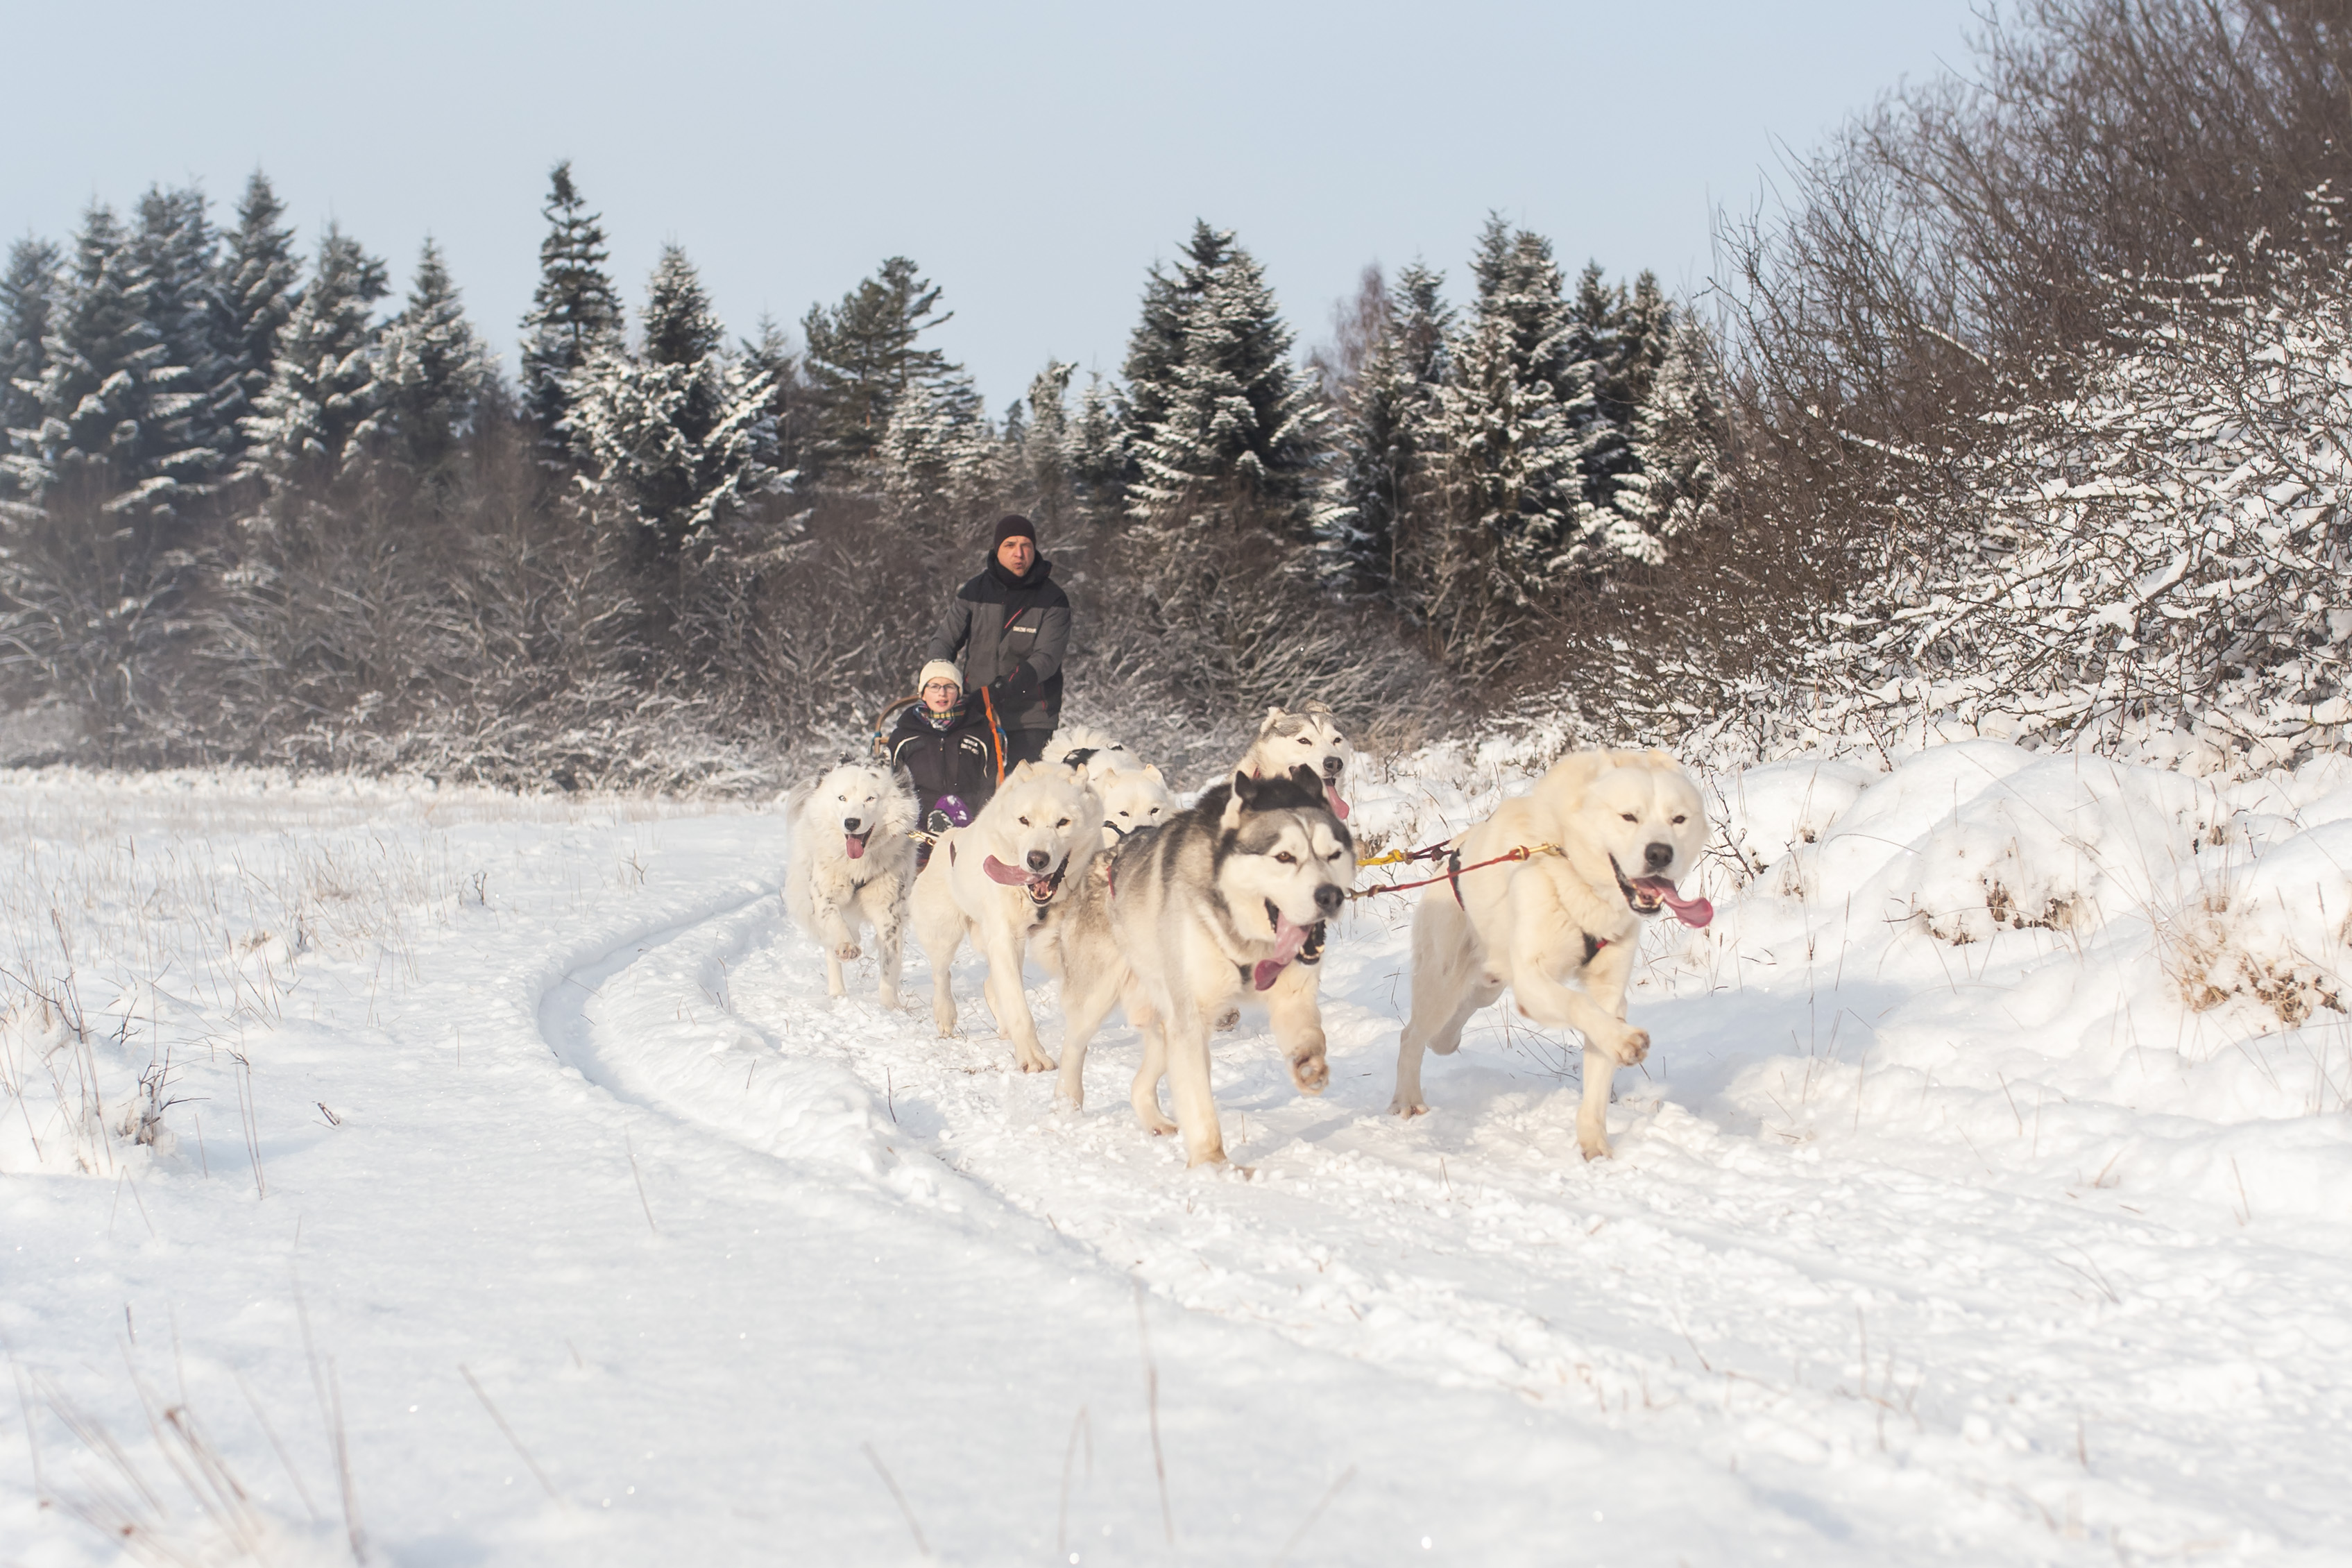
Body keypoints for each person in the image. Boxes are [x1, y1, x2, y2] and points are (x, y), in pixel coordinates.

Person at [926, 514, 1070, 767]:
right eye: (1010, 545)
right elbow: (944, 641)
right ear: (997, 549)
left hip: (1030, 718)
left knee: (1021, 788)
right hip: (975, 712)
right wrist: (937, 682)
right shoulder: (974, 592)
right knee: (973, 786)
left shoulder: (1053, 599)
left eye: (1026, 545)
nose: (1019, 553)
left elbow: (1046, 660)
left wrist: (997, 691)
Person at [888, 661, 1000, 851]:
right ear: (923, 693)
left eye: (949, 687)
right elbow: (891, 785)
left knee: (952, 805)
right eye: (934, 686)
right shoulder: (903, 736)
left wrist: (983, 820)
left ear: (958, 692)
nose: (942, 693)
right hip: (918, 823)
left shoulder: (979, 732)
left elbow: (990, 783)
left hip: (968, 821)